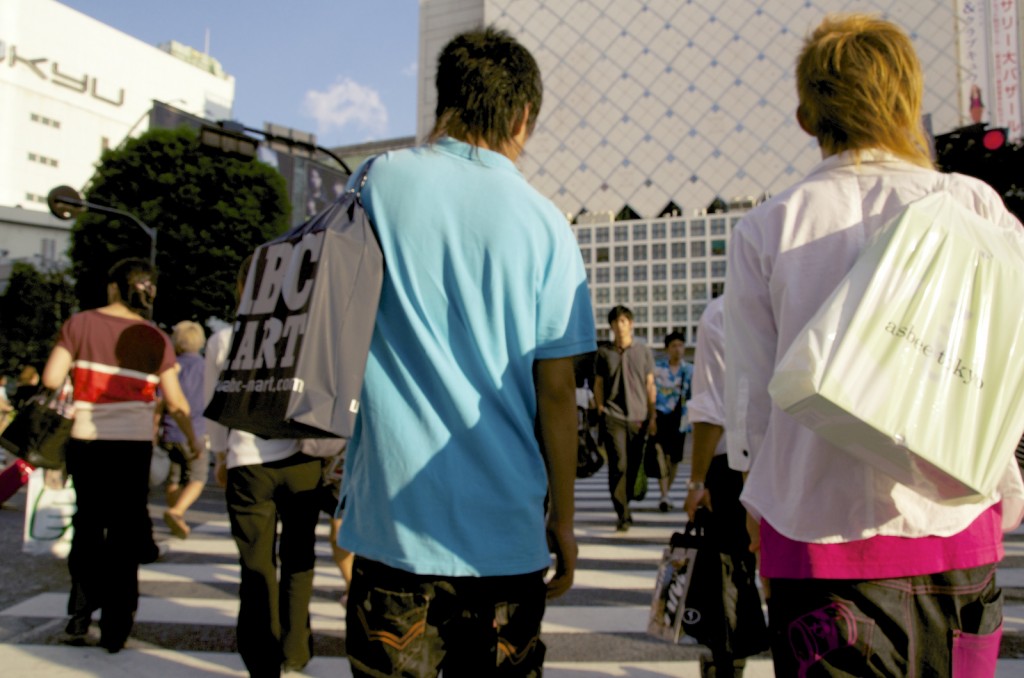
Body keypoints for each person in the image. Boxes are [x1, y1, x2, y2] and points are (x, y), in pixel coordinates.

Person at [723, 14, 1024, 676]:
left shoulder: (766, 228)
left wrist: (755, 505)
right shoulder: (972, 205)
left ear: (808, 116)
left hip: (816, 542)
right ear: (909, 102)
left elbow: (750, 401)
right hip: (958, 532)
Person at [337, 27, 595, 676]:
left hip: (392, 526)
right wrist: (563, 521)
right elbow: (557, 393)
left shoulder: (376, 182)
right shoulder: (546, 224)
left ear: (442, 100)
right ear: (522, 116)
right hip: (506, 538)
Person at [41, 258, 200, 653]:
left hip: (87, 440)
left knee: (89, 524)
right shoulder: (155, 338)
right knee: (126, 530)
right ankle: (117, 627)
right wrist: (193, 440)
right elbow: (176, 401)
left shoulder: (79, 324)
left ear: (113, 286)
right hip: (133, 446)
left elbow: (50, 379)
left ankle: (79, 617)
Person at [208, 256, 322, 678]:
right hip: (303, 458)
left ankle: (262, 656)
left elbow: (215, 407)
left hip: (248, 460)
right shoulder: (306, 330)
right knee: (300, 558)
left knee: (256, 563)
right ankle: (296, 648)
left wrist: (220, 454)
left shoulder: (223, 339)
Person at [684, 295, 766, 678]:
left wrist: (696, 481)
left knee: (728, 569)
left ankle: (727, 660)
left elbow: (712, 407)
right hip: (784, 458)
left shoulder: (722, 312)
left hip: (730, 463)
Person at [594, 305, 656, 532]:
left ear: (630, 323)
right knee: (618, 464)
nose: (619, 326)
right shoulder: (604, 353)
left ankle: (627, 498)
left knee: (633, 465)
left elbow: (650, 384)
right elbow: (598, 383)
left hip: (639, 416)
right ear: (610, 325)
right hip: (612, 415)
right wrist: (600, 407)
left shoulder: (644, 351)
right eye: (615, 322)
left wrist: (653, 414)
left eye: (623, 321)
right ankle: (622, 513)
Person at [158, 320, 208, 539]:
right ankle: (177, 511)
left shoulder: (171, 367)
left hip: (170, 430)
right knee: (197, 477)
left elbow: (160, 401)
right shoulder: (206, 368)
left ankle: (176, 518)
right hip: (197, 430)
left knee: (174, 478)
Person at [652, 330, 693, 512]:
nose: (678, 349)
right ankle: (664, 494)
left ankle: (666, 492)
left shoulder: (690, 369)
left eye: (680, 345)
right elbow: (651, 391)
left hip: (680, 418)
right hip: (661, 415)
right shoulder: (658, 368)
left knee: (675, 458)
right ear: (667, 349)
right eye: (674, 346)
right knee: (661, 455)